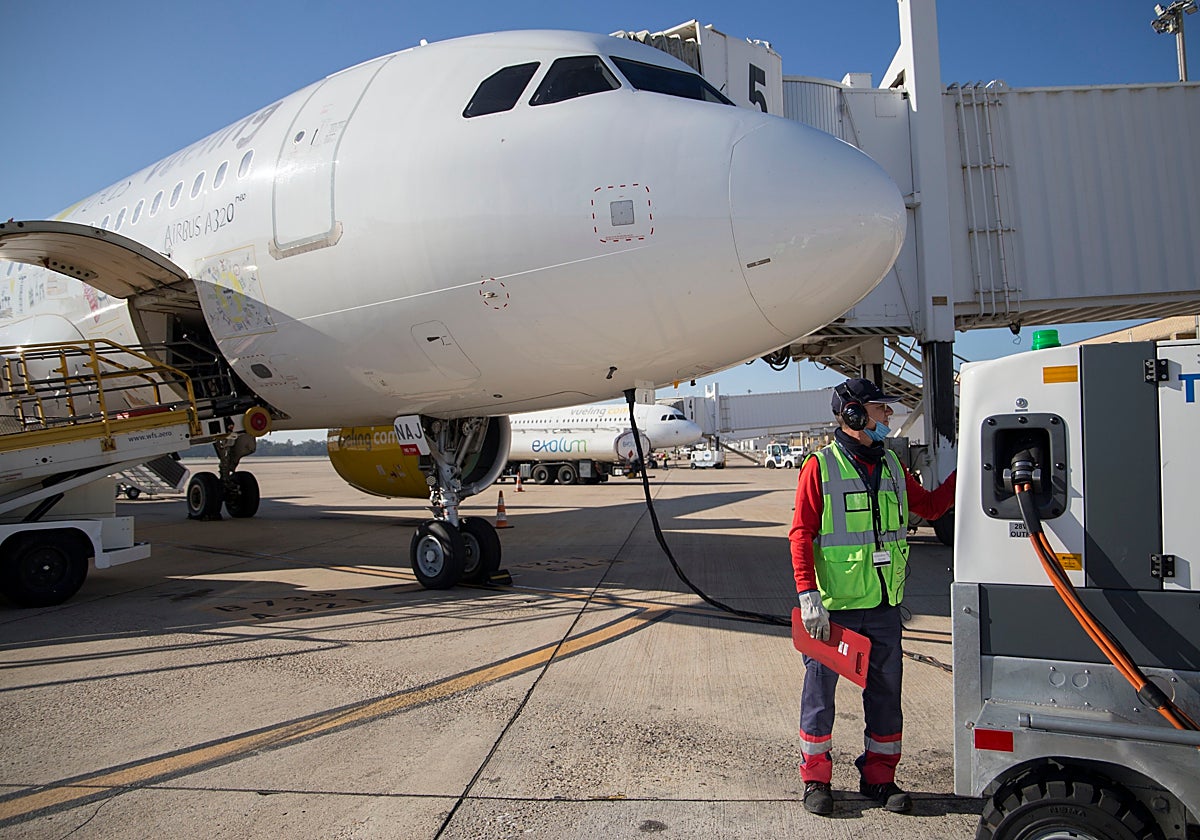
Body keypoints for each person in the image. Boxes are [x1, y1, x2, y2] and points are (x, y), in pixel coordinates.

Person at [790, 377, 956, 817]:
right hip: (835, 610)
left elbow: (933, 508)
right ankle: (815, 779)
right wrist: (808, 594)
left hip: (883, 607)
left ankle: (879, 778)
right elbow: (801, 534)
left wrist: (971, 469)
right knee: (820, 697)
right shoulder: (820, 466)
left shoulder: (892, 466)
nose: (889, 416)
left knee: (886, 695)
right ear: (854, 414)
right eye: (882, 409)